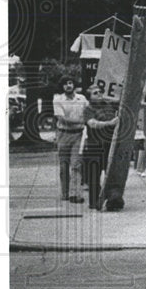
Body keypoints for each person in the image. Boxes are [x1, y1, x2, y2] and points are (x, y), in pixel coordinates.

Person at [81, 84, 118, 210]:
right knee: (94, 175)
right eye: (95, 93)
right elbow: (92, 124)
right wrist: (109, 123)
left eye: (100, 92)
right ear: (90, 97)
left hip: (109, 145)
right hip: (94, 146)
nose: (99, 95)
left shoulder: (109, 106)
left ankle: (112, 199)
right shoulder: (88, 109)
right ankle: (94, 201)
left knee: (111, 174)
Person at [52, 75, 88, 203]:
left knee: (76, 165)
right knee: (64, 166)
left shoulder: (82, 98)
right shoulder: (58, 100)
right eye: (65, 84)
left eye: (70, 83)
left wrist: (85, 121)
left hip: (78, 135)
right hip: (63, 135)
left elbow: (89, 113)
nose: (68, 86)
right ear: (62, 86)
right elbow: (62, 119)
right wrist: (81, 121)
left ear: (74, 85)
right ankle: (65, 192)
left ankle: (76, 194)